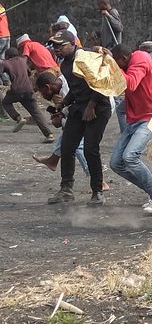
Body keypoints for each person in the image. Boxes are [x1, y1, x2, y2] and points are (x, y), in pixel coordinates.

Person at [46, 30, 113, 206]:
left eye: (61, 45)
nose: (57, 49)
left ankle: (97, 192)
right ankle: (66, 189)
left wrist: (91, 107)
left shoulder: (85, 57)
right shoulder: (64, 64)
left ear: (73, 44)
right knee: (67, 147)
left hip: (98, 106)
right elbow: (76, 90)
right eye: (54, 46)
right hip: (79, 106)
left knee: (91, 148)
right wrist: (63, 104)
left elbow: (100, 83)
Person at [109, 45, 152, 214]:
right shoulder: (129, 63)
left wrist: (113, 67)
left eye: (117, 62)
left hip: (151, 117)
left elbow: (131, 84)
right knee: (116, 163)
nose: (117, 66)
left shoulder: (140, 58)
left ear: (123, 58)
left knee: (130, 157)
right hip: (135, 119)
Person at [33, 71, 90, 178]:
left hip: (93, 108)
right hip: (84, 108)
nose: (43, 96)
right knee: (68, 134)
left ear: (48, 87)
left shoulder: (66, 89)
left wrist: (61, 118)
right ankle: (53, 160)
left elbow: (76, 110)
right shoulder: (61, 82)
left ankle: (97, 180)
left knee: (76, 143)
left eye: (42, 92)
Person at [0, 48, 54, 142]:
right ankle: (49, 134)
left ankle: (18, 117)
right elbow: (29, 73)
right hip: (29, 89)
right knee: (36, 112)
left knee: (5, 102)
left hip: (16, 90)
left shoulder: (6, 63)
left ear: (7, 56)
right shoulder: (22, 60)